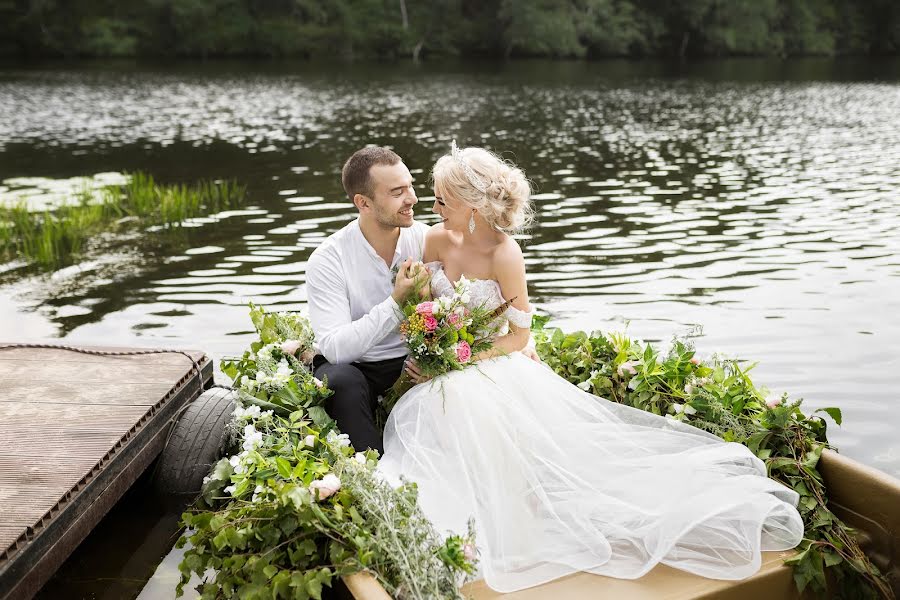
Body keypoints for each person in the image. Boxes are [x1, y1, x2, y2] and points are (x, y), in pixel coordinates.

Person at [376, 142, 804, 593]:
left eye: (443, 198)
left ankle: (509, 526)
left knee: (473, 406)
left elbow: (519, 336)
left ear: (471, 204)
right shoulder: (437, 239)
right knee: (435, 415)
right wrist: (428, 329)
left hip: (494, 361)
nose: (434, 205)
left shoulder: (505, 254)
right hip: (452, 362)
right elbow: (425, 306)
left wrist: (460, 360)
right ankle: (460, 520)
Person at [306, 146, 428, 455]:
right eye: (398, 192)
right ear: (364, 203)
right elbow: (335, 348)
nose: (412, 198)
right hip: (359, 367)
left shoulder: (428, 240)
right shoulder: (328, 259)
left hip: (416, 360)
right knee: (338, 381)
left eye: (410, 186)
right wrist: (396, 302)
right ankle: (378, 472)